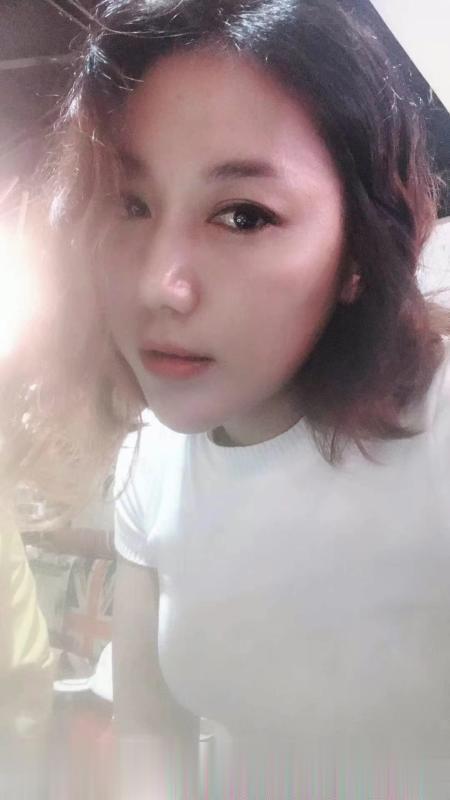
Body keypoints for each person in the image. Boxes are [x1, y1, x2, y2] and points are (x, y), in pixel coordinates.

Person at [23, 0, 450, 796]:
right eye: (131, 204)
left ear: (359, 253)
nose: (159, 286)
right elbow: (150, 730)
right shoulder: (153, 463)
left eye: (243, 216)